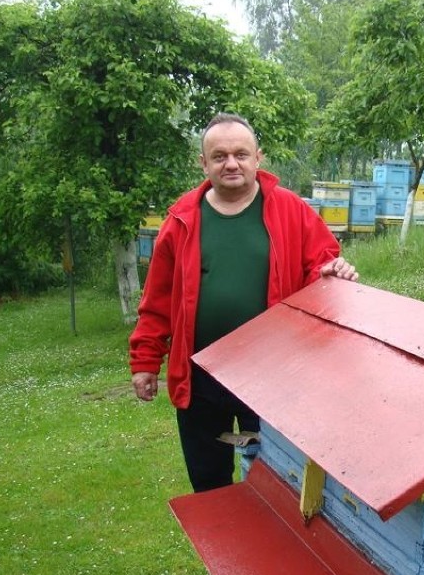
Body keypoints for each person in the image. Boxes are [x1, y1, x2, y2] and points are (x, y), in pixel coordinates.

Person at [129, 112, 358, 494]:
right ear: (203, 163)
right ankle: (220, 546)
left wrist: (332, 273)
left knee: (275, 477)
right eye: (219, 156)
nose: (231, 163)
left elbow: (321, 267)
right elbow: (158, 300)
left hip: (273, 379)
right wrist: (145, 361)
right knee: (210, 482)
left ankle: (270, 548)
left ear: (258, 158)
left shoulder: (291, 210)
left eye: (240, 154)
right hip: (201, 379)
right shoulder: (181, 220)